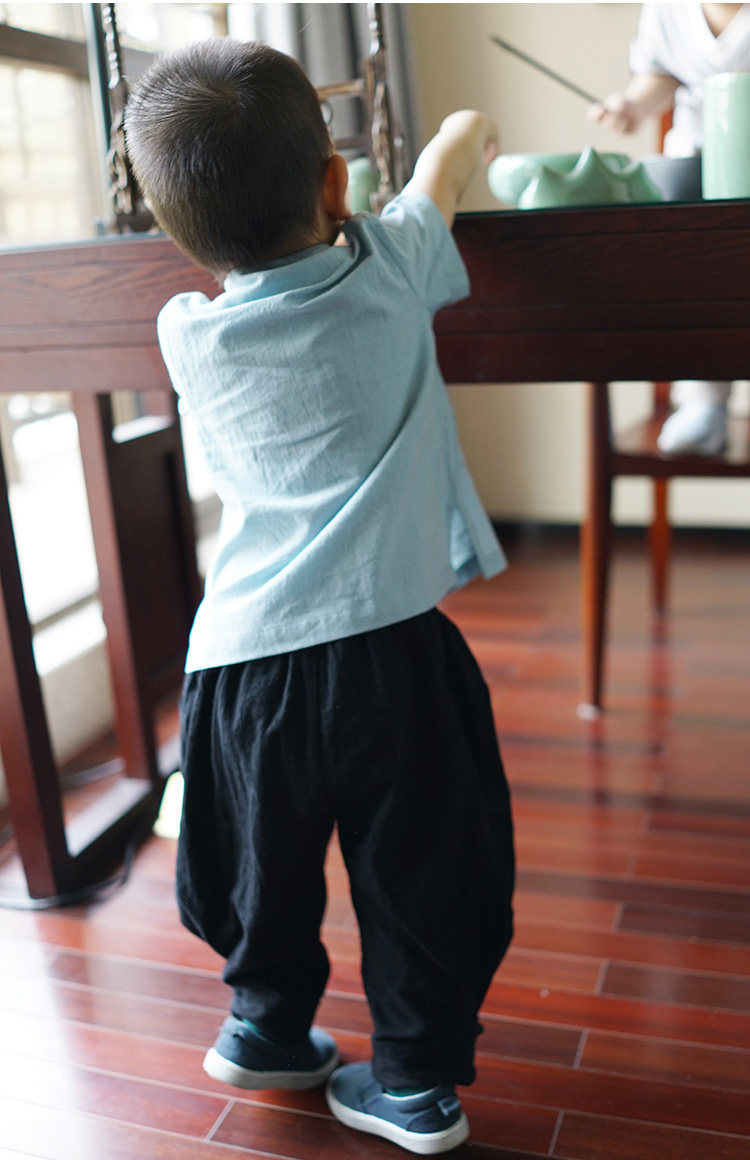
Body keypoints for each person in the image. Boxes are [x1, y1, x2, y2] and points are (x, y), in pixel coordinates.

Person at [124, 38, 514, 1156]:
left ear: (180, 234)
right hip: (394, 656)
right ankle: (415, 1083)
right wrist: (469, 130)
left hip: (242, 670)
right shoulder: (393, 267)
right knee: (428, 866)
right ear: (338, 184)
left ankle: (265, 1025)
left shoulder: (184, 332)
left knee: (262, 866)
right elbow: (447, 162)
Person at [588, 2, 750, 455]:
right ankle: (703, 402)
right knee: (692, 265)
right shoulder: (666, 9)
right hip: (699, 163)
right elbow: (660, 72)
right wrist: (632, 105)